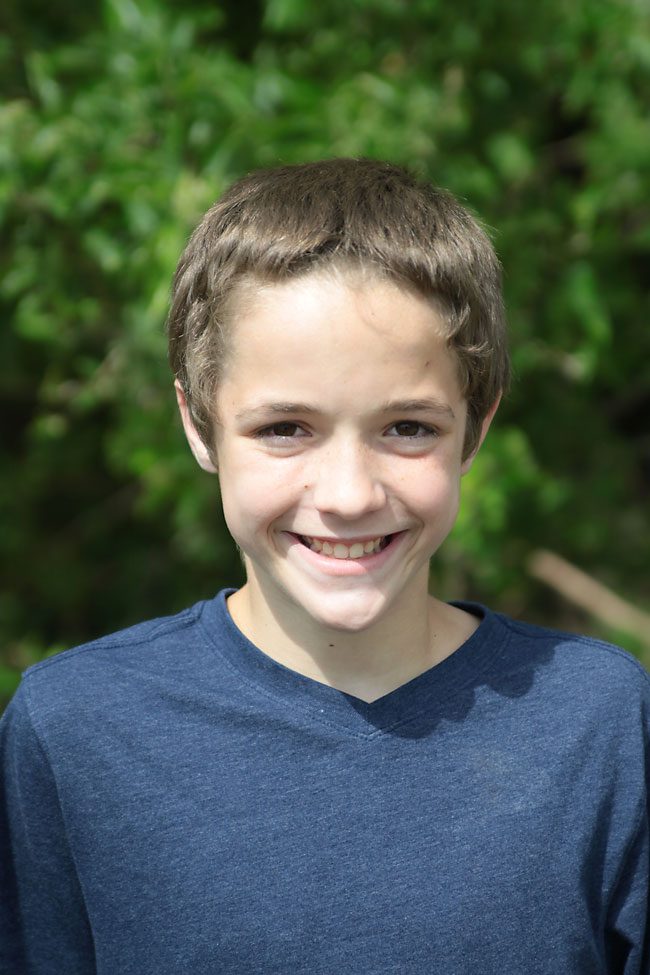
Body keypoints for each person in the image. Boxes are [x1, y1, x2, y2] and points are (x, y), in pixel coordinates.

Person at [1, 158, 648, 974]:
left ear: (475, 431)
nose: (347, 495)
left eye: (408, 427)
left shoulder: (602, 721)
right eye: (285, 428)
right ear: (198, 425)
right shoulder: (73, 730)